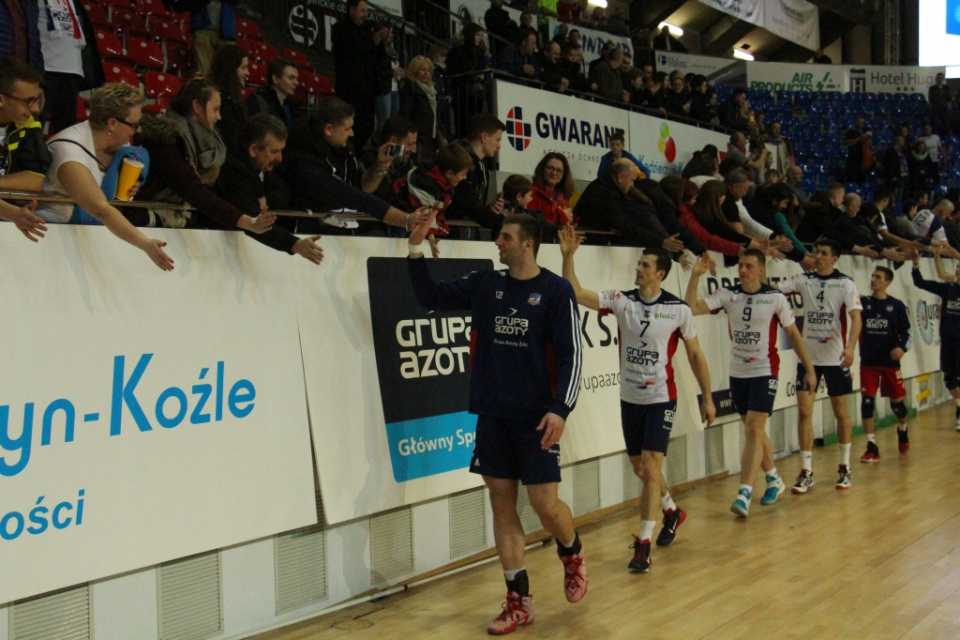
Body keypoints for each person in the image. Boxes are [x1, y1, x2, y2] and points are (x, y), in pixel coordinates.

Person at [406, 213, 586, 635]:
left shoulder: (556, 291)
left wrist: (560, 409)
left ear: (528, 244)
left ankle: (572, 551)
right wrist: (414, 249)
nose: (497, 243)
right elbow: (429, 295)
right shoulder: (486, 284)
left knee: (546, 507)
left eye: (505, 237)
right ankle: (518, 601)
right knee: (502, 506)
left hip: (537, 418)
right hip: (492, 415)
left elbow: (572, 357)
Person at [561, 228, 714, 568]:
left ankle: (643, 544)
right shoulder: (623, 300)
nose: (639, 268)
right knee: (641, 469)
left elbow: (695, 355)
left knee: (650, 467)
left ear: (660, 273)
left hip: (661, 398)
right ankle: (671, 510)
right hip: (629, 400)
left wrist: (707, 396)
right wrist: (568, 256)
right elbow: (574, 292)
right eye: (639, 264)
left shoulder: (678, 310)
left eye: (645, 265)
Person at [686, 251, 815, 517]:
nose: (742, 270)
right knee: (752, 431)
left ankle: (744, 493)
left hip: (765, 370)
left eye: (748, 266)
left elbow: (793, 334)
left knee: (755, 430)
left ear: (760, 270)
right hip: (738, 372)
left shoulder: (775, 298)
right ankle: (773, 479)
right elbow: (691, 309)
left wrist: (810, 369)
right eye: (741, 266)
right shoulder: (729, 295)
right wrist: (695, 276)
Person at [37, 82, 174, 270]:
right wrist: (145, 244)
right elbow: (100, 208)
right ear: (112, 123)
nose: (139, 130)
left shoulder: (121, 149)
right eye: (134, 125)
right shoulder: (68, 150)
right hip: (49, 239)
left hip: (86, 239)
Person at [125, 78, 275, 235]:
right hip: (149, 215)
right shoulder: (165, 139)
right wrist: (246, 221)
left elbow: (212, 192)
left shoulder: (212, 143)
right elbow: (193, 189)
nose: (219, 117)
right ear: (197, 106)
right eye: (215, 109)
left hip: (185, 215)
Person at [776, 239, 862, 492]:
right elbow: (774, 290)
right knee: (804, 412)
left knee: (840, 411)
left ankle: (844, 467)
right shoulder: (804, 280)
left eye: (824, 253)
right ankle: (806, 471)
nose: (818, 256)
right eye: (816, 252)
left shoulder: (845, 283)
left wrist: (850, 347)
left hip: (835, 357)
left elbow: (856, 318)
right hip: (809, 358)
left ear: (834, 259)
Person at [281, 98, 427, 233]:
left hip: (341, 227)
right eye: (347, 128)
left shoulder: (344, 147)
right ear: (329, 129)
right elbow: (354, 197)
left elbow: (364, 187)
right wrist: (405, 220)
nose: (352, 133)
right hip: (306, 230)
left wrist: (380, 167)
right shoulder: (302, 160)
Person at [216, 113, 323, 264]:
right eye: (274, 151)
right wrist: (295, 244)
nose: (280, 158)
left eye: (281, 150)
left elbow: (284, 194)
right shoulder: (233, 170)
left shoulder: (264, 164)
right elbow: (254, 223)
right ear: (253, 150)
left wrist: (265, 199)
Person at [858, 266, 911, 461]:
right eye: (872, 276)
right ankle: (871, 446)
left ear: (887, 282)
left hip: (889, 362)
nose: (873, 280)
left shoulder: (896, 306)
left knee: (897, 406)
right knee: (867, 403)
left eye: (878, 277)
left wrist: (902, 348)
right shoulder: (863, 303)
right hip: (868, 363)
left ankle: (903, 429)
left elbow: (907, 332)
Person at [574, 159, 683, 252]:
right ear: (621, 177)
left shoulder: (609, 188)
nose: (632, 185)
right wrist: (661, 241)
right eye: (632, 180)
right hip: (587, 245)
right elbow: (625, 225)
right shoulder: (604, 192)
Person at [911, 245, 960, 428]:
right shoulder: (949, 289)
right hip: (947, 341)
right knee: (949, 378)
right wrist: (916, 265)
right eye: (956, 268)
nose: (957, 271)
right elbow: (921, 283)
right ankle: (958, 407)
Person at [332, 0, 388, 151]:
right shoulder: (340, 29)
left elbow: (376, 56)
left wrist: (380, 41)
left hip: (367, 89)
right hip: (350, 87)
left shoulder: (366, 31)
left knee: (366, 127)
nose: (365, 15)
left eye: (366, 11)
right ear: (352, 10)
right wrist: (373, 43)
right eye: (362, 11)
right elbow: (351, 53)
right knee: (351, 125)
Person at [446, 113, 506, 232]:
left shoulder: (480, 166)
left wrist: (488, 209)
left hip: (463, 235)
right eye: (497, 140)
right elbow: (469, 206)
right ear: (484, 137)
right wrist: (508, 224)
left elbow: (470, 206)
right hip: (451, 234)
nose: (499, 146)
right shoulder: (459, 161)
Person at [0, 55, 49, 192]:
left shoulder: (29, 123)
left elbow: (35, 180)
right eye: (28, 101)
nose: (35, 109)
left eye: (37, 100)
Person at [358, 114, 418, 205]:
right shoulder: (370, 159)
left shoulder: (406, 161)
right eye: (410, 144)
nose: (414, 150)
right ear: (393, 141)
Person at [208, 44, 250, 153]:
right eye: (243, 68)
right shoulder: (218, 98)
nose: (247, 73)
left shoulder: (231, 97)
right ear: (230, 68)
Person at [398, 56, 440, 163]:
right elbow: (405, 115)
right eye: (422, 70)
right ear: (414, 72)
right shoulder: (410, 90)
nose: (426, 73)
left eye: (428, 71)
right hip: (418, 140)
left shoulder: (432, 92)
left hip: (431, 139)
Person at [527, 152, 574, 238]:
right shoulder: (531, 193)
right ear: (542, 169)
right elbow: (535, 224)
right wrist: (562, 216)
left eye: (558, 170)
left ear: (564, 174)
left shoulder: (563, 197)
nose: (554, 173)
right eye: (550, 168)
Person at [191, 0, 241, 77]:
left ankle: (225, 88)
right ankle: (202, 87)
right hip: (202, 27)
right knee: (202, 69)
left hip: (226, 31)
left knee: (228, 70)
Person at [246, 57, 299, 128]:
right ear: (275, 79)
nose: (296, 83)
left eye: (296, 78)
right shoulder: (257, 101)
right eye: (291, 78)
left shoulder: (292, 107)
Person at [843, 116, 869, 184]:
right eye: (859, 122)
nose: (861, 124)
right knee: (852, 178)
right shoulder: (851, 132)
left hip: (862, 159)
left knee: (861, 179)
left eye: (862, 123)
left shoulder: (865, 132)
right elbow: (849, 143)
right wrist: (860, 137)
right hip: (853, 159)